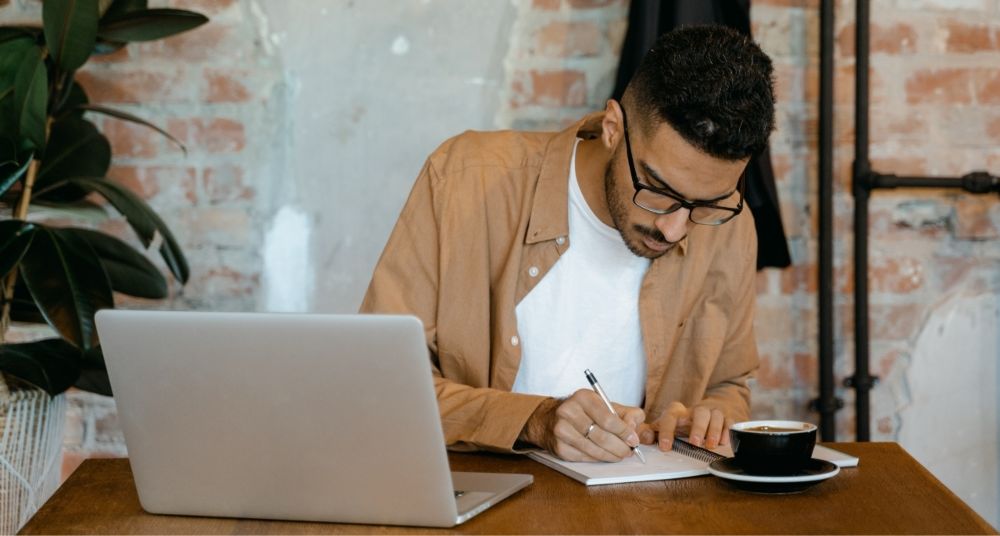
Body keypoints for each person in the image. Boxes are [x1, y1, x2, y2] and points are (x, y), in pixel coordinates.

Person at [360, 25, 774, 462]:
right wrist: (534, 420)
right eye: (657, 190)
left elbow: (727, 385)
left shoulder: (729, 225)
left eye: (706, 203)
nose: (674, 229)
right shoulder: (464, 179)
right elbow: (378, 381)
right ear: (614, 127)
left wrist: (710, 417)